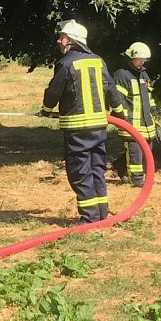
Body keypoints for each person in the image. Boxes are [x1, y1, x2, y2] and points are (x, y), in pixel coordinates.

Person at [40, 20, 127, 224]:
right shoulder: (98, 60)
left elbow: (54, 92)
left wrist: (45, 110)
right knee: (97, 169)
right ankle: (101, 213)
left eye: (62, 37)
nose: (58, 41)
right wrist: (120, 113)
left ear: (71, 41)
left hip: (77, 129)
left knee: (80, 171)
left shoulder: (66, 63)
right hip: (98, 127)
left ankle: (89, 218)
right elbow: (112, 90)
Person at [112, 41, 159, 187]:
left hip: (146, 122)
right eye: (140, 59)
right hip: (130, 122)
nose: (142, 62)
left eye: (144, 60)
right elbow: (118, 99)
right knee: (135, 152)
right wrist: (124, 118)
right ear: (131, 57)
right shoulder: (122, 75)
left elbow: (149, 96)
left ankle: (120, 166)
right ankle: (137, 181)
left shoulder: (144, 74)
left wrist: (154, 111)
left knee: (146, 151)